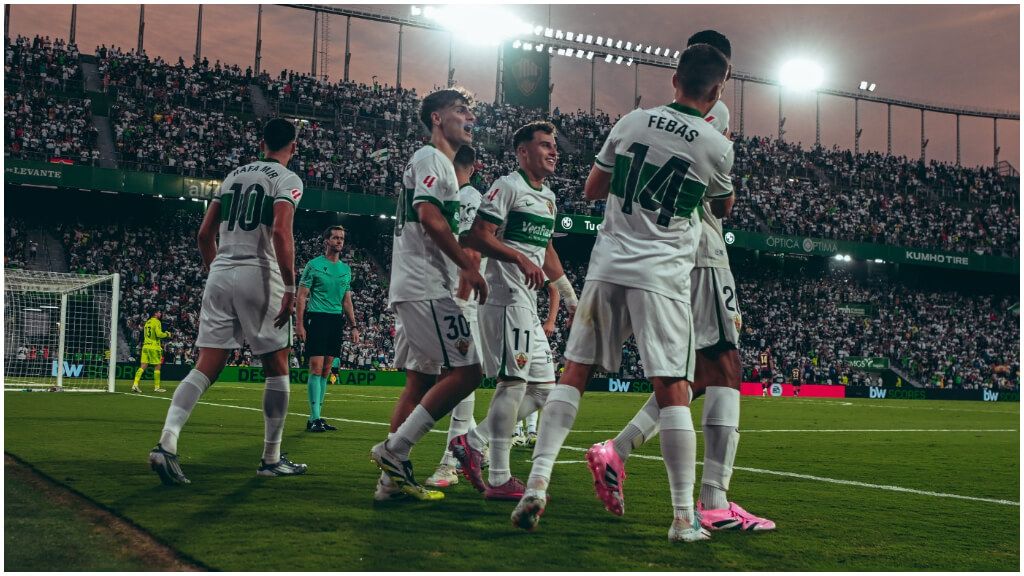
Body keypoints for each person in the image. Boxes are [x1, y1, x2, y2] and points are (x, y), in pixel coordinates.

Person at [510, 44, 733, 544]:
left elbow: (593, 188)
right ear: (717, 90)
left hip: (609, 264)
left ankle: (539, 481)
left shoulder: (632, 122)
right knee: (673, 388)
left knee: (575, 373)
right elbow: (722, 207)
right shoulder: (717, 145)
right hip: (663, 274)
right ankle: (682, 517)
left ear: (674, 78)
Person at [587, 30, 773, 534]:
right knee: (726, 367)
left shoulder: (645, 119)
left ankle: (616, 451)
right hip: (701, 250)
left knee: (691, 374)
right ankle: (713, 499)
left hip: (652, 252)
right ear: (722, 77)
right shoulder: (716, 119)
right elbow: (719, 201)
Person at [148, 118, 308, 485]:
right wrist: (289, 287)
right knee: (277, 366)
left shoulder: (233, 176)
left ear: (261, 142)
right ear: (293, 146)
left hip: (221, 271)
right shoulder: (287, 179)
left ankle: (166, 443)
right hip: (260, 273)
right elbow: (282, 230)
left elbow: (204, 233)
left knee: (206, 365)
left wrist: (216, 272)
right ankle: (271, 458)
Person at [369, 88, 489, 502]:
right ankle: (395, 450)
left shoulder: (435, 163)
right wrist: (466, 264)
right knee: (469, 372)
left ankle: (390, 483)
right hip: (425, 285)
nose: (469, 116)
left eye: (471, 110)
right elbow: (430, 216)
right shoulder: (432, 158)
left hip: (414, 284)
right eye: (460, 110)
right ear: (437, 118)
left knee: (419, 381)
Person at [450, 121, 578, 501]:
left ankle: (473, 440)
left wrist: (571, 298)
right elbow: (475, 235)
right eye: (544, 145)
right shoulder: (508, 186)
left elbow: (548, 255)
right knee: (513, 384)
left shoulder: (549, 198)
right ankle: (500, 476)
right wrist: (518, 258)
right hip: (506, 298)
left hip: (527, 301)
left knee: (542, 389)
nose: (553, 151)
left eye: (554, 145)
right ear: (523, 152)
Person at [425, 144, 486, 489]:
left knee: (461, 375)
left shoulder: (468, 197)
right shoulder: (458, 195)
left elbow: (472, 245)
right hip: (453, 295)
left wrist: (463, 291)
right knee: (454, 377)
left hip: (461, 295)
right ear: (475, 166)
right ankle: (479, 444)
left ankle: (451, 462)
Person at [296, 225, 360, 433]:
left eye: (341, 238)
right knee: (315, 368)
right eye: (335, 238)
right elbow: (302, 296)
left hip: (335, 321)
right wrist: (299, 324)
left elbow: (346, 299)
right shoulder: (313, 265)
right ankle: (314, 418)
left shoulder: (345, 269)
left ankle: (317, 417)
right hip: (317, 318)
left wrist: (354, 326)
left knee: (326, 370)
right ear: (326, 241)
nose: (339, 241)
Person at [132, 311, 171, 393]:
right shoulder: (156, 322)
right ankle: (157, 387)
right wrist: (167, 334)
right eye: (159, 312)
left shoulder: (147, 322)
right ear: (155, 314)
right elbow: (159, 334)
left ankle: (135, 385)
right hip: (154, 347)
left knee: (143, 366)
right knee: (157, 365)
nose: (160, 314)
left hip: (145, 346)